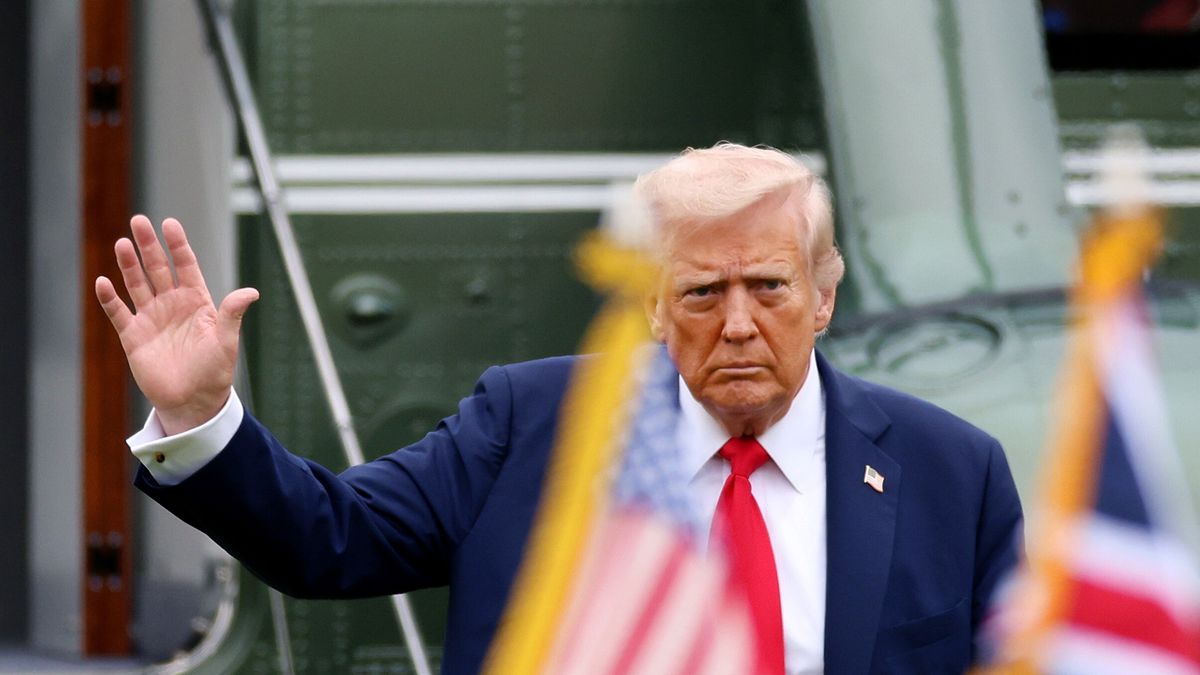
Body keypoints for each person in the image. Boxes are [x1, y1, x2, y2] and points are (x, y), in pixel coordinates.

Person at [96, 143, 1023, 674]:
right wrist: (204, 416)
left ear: (824, 294)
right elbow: (325, 539)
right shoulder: (529, 423)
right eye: (703, 292)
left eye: (770, 286)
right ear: (654, 305)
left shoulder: (952, 471)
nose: (739, 323)